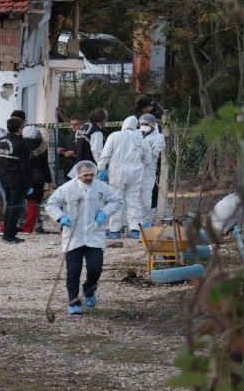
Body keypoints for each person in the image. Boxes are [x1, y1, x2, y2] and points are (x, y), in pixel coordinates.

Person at [45, 160, 122, 315]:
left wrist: (104, 212)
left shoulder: (101, 187)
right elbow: (51, 204)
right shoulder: (67, 189)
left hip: (94, 234)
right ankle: (73, 302)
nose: (89, 178)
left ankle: (89, 288)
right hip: (74, 235)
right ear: (78, 175)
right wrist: (61, 217)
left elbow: (116, 201)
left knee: (95, 268)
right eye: (85, 175)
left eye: (91, 174)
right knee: (73, 271)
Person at [97, 116, 152, 239]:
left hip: (117, 172)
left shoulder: (115, 135)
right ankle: (136, 229)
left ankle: (115, 230)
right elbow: (148, 160)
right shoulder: (140, 139)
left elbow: (105, 154)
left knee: (116, 200)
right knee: (134, 200)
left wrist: (100, 168)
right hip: (136, 173)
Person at [0, 117, 33, 244]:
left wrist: (0, 176)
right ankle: (9, 234)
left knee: (9, 204)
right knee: (14, 206)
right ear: (19, 128)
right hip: (16, 179)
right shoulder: (21, 144)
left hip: (3, 178)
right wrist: (29, 184)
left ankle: (7, 232)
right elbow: (25, 166)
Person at [21, 125, 53, 234]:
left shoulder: (21, 146)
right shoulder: (42, 147)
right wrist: (49, 180)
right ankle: (34, 225)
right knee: (35, 202)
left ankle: (21, 224)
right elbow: (45, 165)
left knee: (19, 202)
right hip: (38, 177)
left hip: (23, 176)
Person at [135, 97, 164, 209]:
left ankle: (154, 204)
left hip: (151, 162)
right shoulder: (153, 113)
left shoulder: (158, 115)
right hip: (141, 164)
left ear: (146, 107)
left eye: (143, 109)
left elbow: (153, 150)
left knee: (150, 186)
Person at [138, 113, 166, 222]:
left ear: (153, 125)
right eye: (142, 124)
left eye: (146, 124)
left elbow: (152, 153)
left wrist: (140, 151)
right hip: (135, 170)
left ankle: (146, 221)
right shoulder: (137, 134)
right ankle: (135, 222)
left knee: (145, 197)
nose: (143, 126)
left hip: (148, 171)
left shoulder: (158, 137)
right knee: (134, 197)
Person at [57, 113, 83, 183]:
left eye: (75, 124)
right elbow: (67, 148)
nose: (73, 126)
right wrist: (61, 151)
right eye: (71, 124)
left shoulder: (85, 136)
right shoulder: (70, 135)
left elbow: (86, 151)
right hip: (69, 169)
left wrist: (74, 153)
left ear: (82, 124)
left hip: (81, 169)